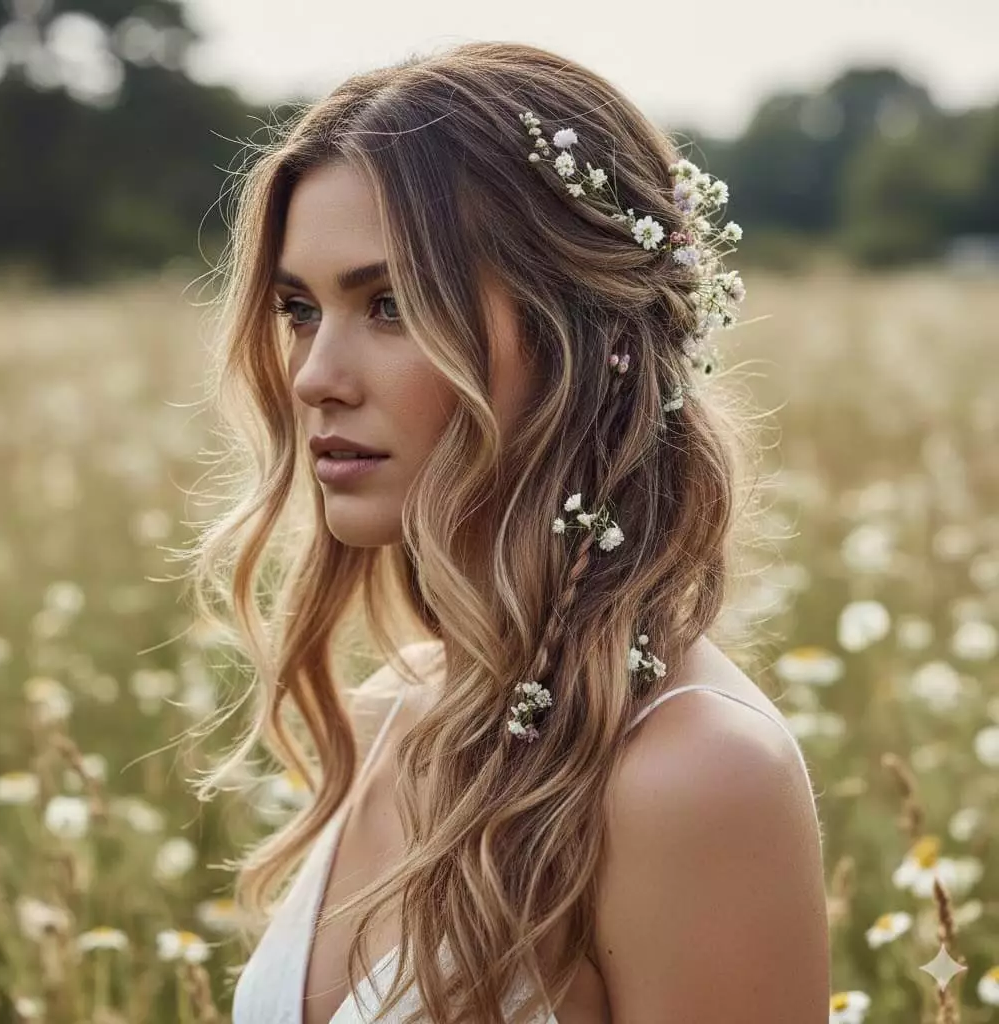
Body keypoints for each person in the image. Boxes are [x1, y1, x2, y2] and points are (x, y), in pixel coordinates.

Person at [189, 39, 830, 1024]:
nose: (316, 373)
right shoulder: (390, 715)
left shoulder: (694, 774)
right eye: (299, 308)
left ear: (580, 335)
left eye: (393, 305)